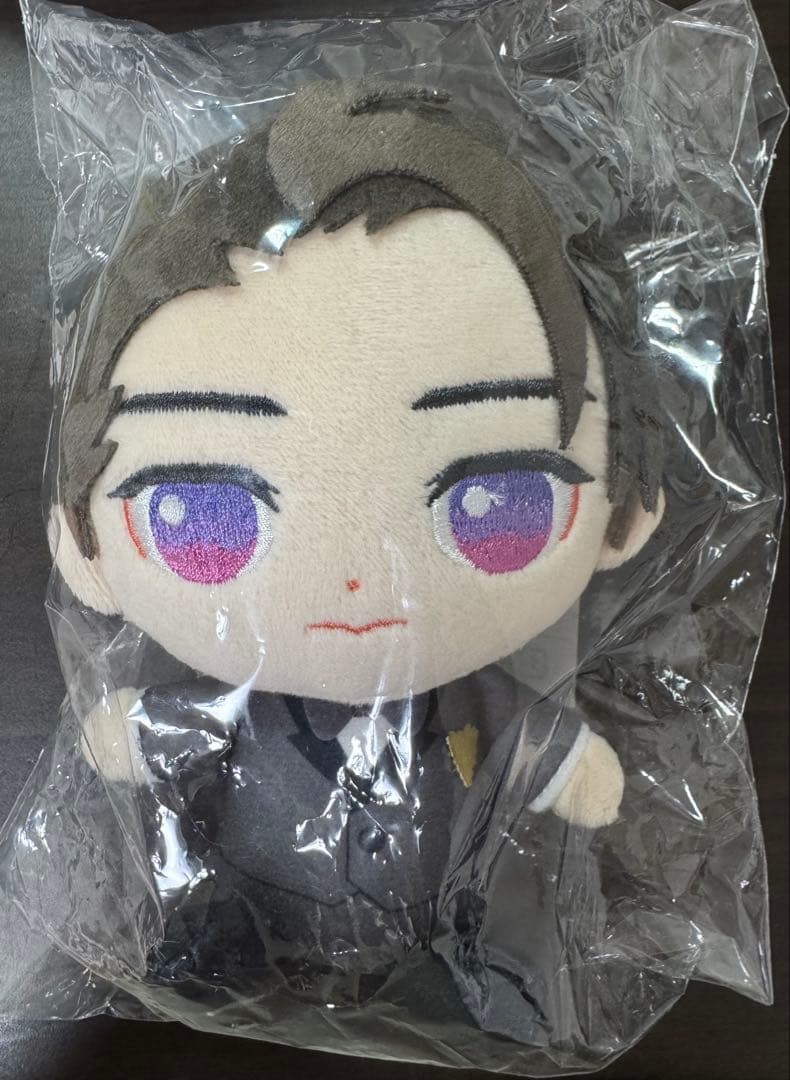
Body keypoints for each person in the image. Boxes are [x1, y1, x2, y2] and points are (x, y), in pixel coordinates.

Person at [48, 80, 664, 1045]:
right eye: (205, 515)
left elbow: (527, 740)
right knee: (196, 959)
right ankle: (218, 949)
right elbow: (176, 732)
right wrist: (133, 726)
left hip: (441, 910)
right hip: (249, 899)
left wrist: (570, 765)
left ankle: (475, 963)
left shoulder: (465, 702)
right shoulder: (240, 713)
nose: (356, 582)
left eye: (497, 504)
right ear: (83, 538)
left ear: (620, 515)